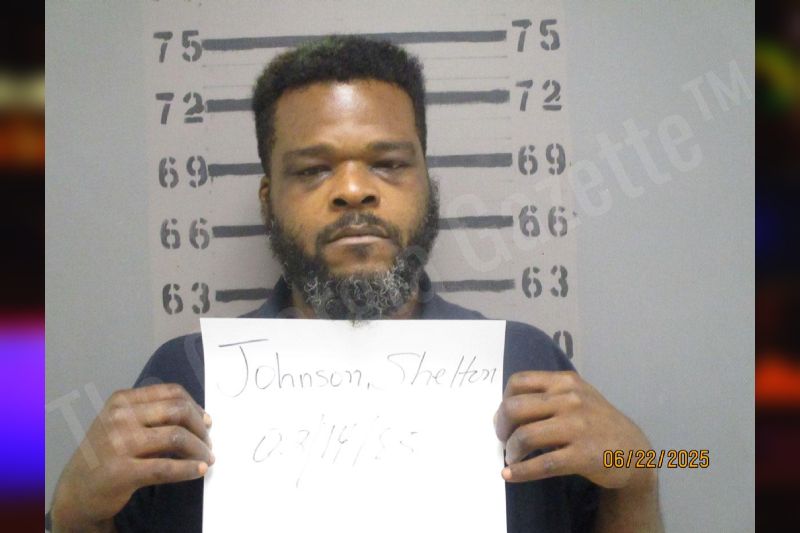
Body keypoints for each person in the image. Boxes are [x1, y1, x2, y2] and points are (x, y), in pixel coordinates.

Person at [49, 35, 663, 532]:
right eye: (313, 169)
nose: (352, 189)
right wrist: (74, 513)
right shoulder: (188, 378)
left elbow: (640, 476)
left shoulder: (525, 360)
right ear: (268, 200)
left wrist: (639, 469)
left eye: (388, 164)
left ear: (428, 184)